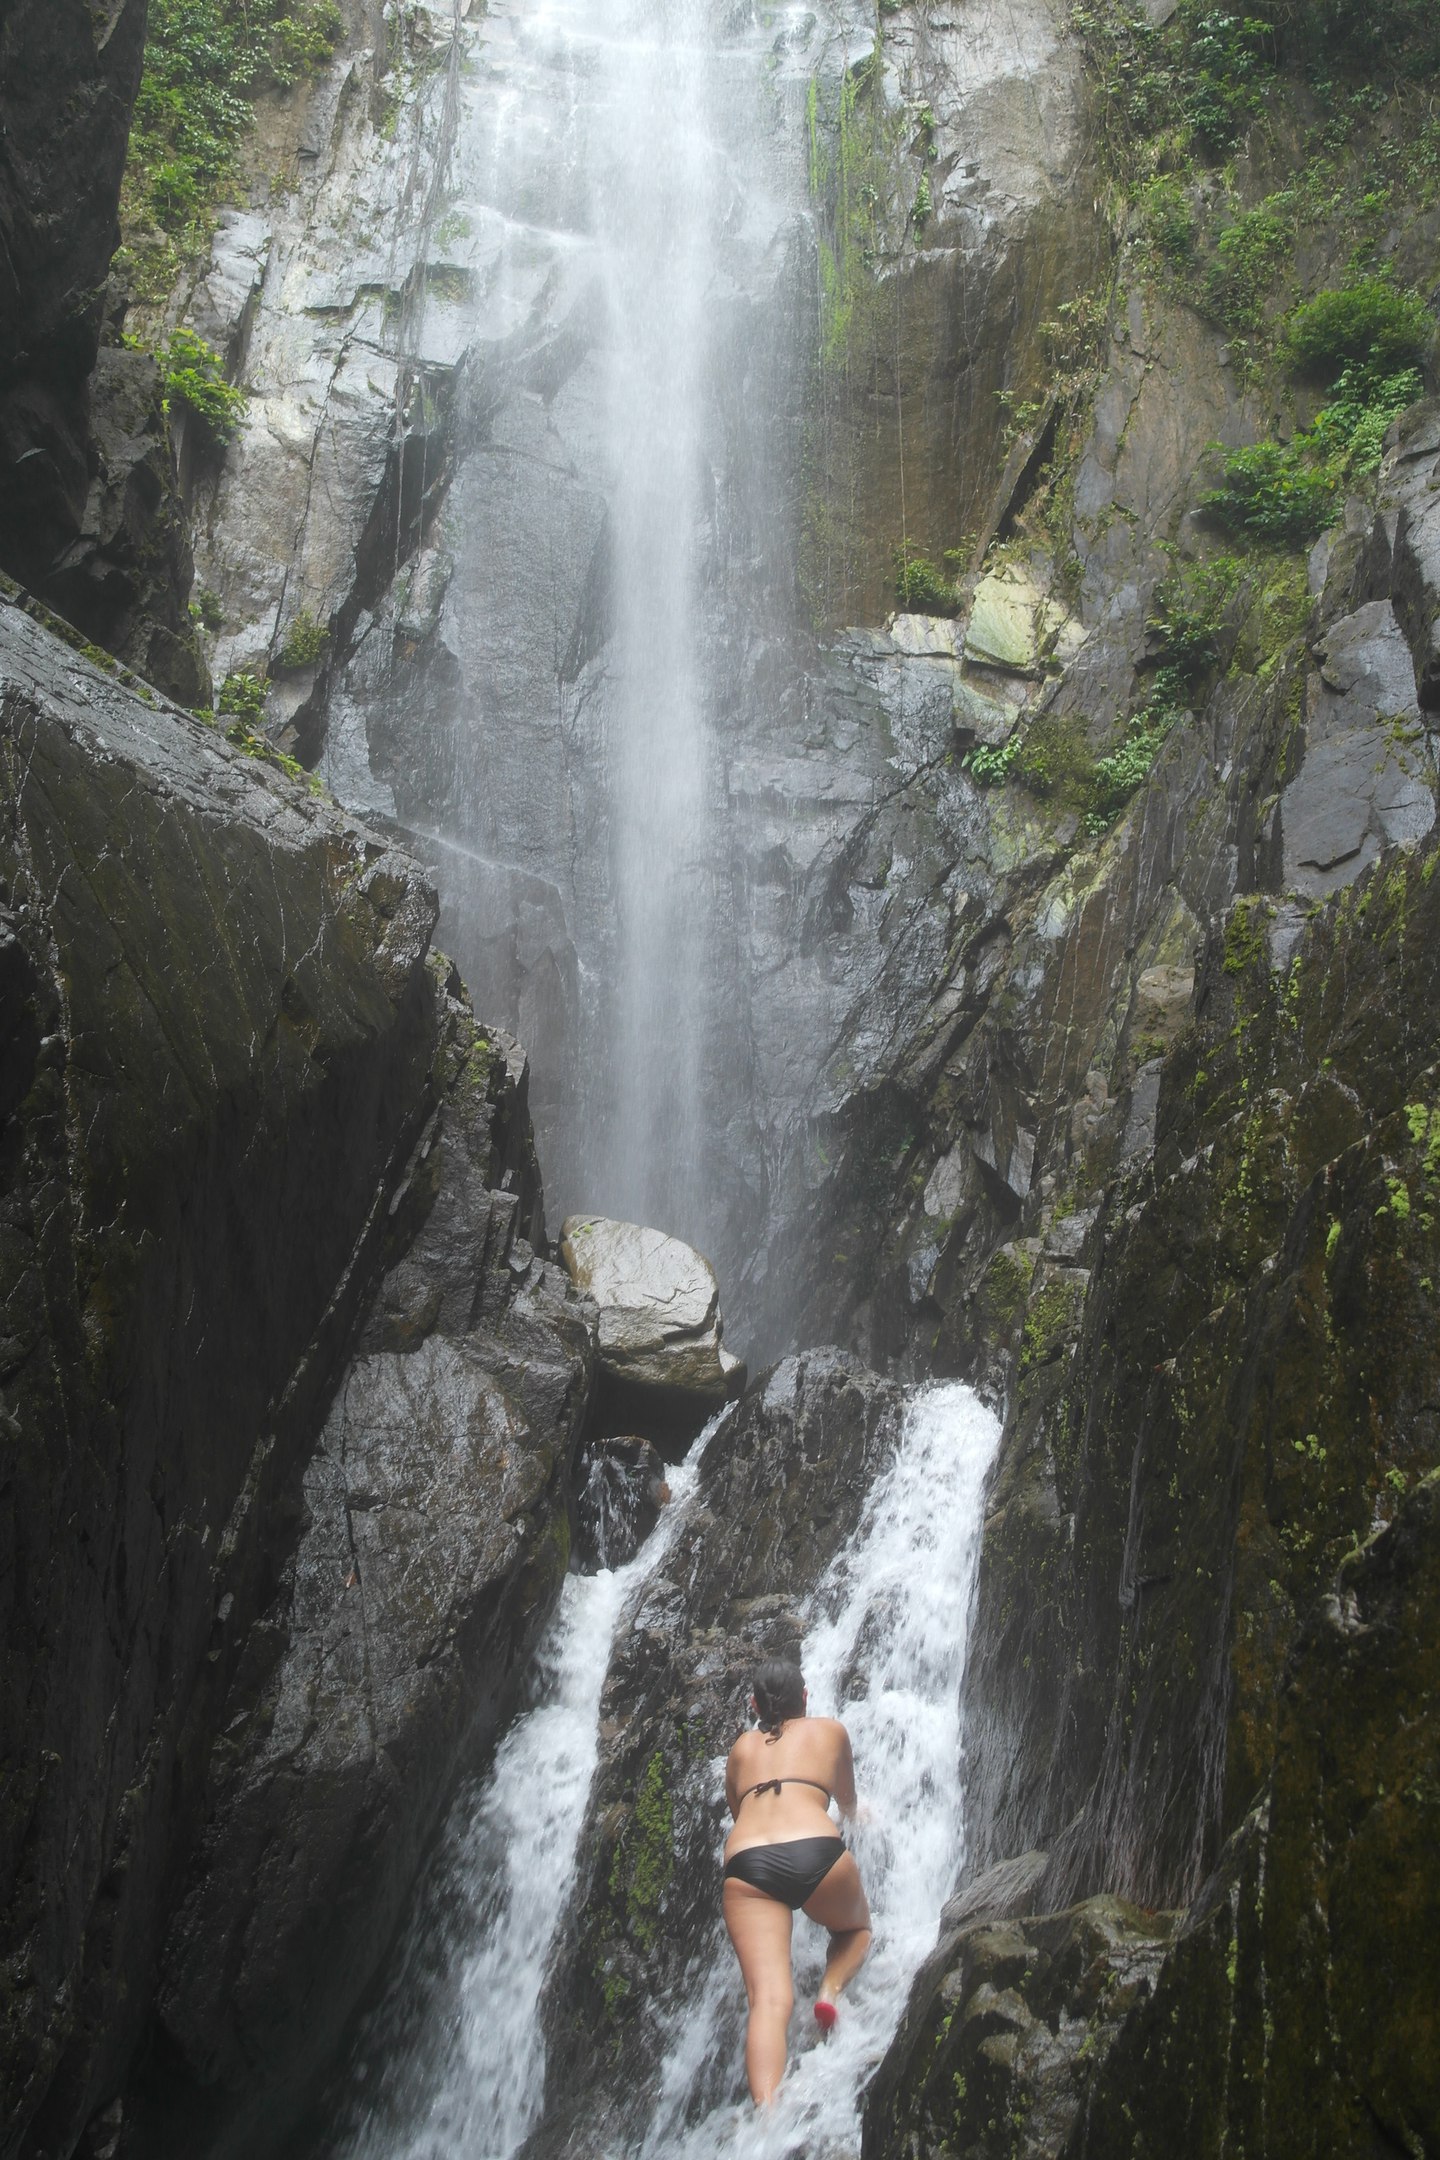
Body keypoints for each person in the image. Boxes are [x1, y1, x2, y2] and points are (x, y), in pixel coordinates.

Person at [721, 1657, 872, 2106]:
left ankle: (767, 2121)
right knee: (856, 1929)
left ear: (754, 1704)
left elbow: (739, 1812)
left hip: (749, 1866)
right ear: (805, 1698)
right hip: (816, 1851)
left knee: (767, 1999)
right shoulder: (830, 1731)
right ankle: (830, 1991)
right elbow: (847, 1802)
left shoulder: (741, 1749)